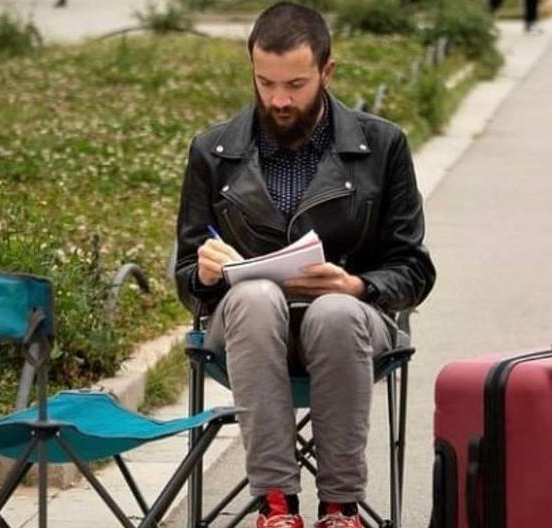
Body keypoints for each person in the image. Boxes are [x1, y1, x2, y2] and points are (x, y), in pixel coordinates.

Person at [173, 2, 436, 527]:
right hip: (249, 329)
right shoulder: (213, 151)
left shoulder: (382, 145)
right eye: (265, 82)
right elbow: (186, 275)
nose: (278, 99)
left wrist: (356, 284)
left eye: (295, 84)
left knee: (333, 313)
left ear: (327, 70)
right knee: (253, 296)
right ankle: (276, 507)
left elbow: (414, 268)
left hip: (352, 326)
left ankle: (341, 509)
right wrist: (202, 274)